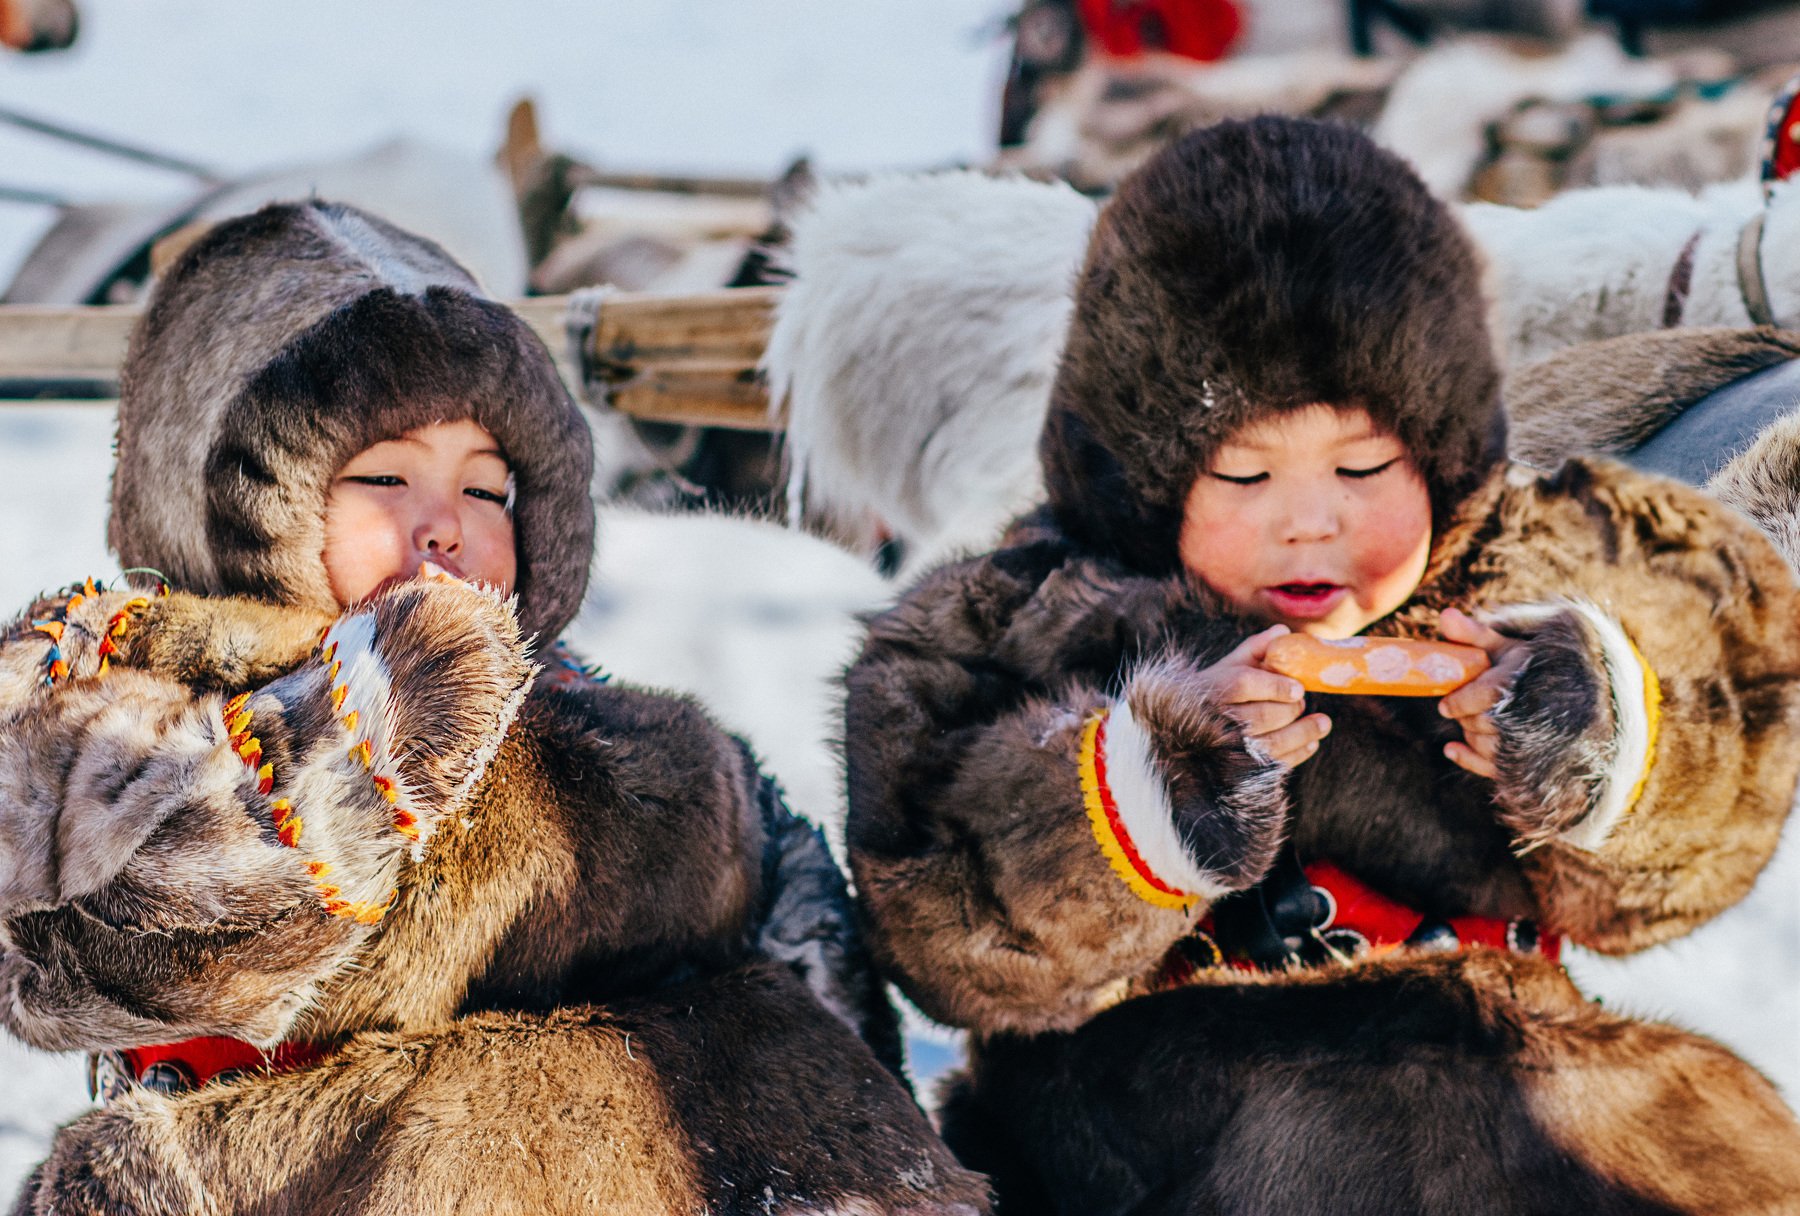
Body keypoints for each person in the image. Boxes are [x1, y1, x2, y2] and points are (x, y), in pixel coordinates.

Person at [842, 117, 1800, 1212]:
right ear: (1147, 475)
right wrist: (1143, 791)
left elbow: (1718, 769)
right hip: (1154, 1133)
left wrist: (1599, 731)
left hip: (1525, 1106)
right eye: (1245, 477)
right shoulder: (1024, 618)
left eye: (1361, 465)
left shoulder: (1546, 572)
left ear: (1441, 450)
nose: (1311, 524)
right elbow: (943, 923)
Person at [0, 201, 986, 1215]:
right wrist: (385, 727)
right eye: (384, 476)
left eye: (487, 489)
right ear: (237, 500)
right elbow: (117, 945)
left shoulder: (613, 731)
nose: (445, 530)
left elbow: (817, 986)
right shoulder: (119, 691)